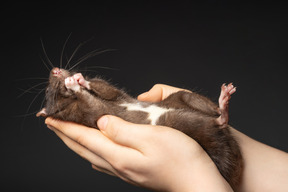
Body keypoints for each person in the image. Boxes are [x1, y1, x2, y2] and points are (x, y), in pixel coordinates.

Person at [45, 84, 288, 192]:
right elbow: (94, 106)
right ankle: (217, 121)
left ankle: (217, 119)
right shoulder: (87, 112)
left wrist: (192, 177)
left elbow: (109, 93)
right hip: (185, 125)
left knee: (183, 101)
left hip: (183, 123)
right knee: (179, 114)